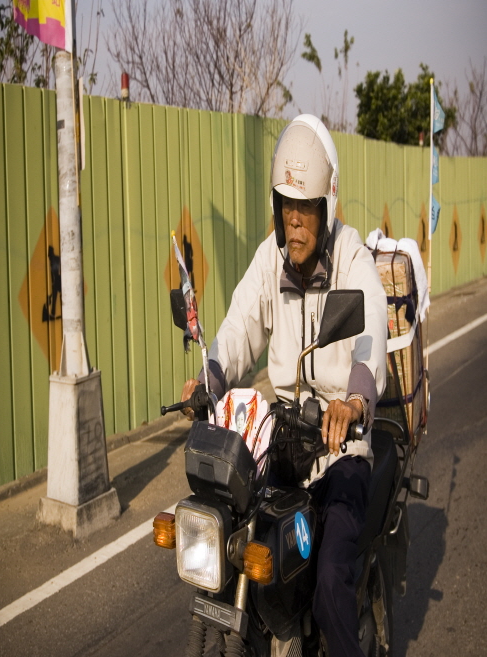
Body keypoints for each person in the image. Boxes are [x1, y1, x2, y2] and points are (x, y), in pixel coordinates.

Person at [181, 114, 387, 657]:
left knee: (329, 583)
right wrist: (211, 377)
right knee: (236, 541)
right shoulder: (270, 258)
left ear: (326, 207)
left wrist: (353, 399)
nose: (294, 222)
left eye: (305, 209)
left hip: (341, 448)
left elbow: (371, 336)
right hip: (285, 436)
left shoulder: (351, 260)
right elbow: (239, 325)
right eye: (286, 207)